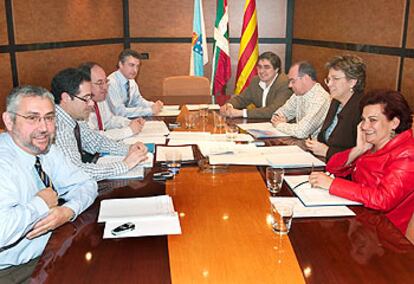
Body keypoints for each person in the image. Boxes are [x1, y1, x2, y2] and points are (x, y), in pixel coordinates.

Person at [0, 86, 97, 282]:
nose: (44, 128)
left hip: (52, 247)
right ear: (9, 121)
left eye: (49, 118)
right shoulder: (4, 164)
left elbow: (87, 183)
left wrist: (67, 211)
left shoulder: (46, 150)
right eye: (32, 118)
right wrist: (41, 204)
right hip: (13, 271)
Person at [309, 90, 414, 235]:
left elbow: (383, 199)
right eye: (363, 120)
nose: (364, 126)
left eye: (372, 120)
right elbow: (332, 166)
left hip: (384, 235)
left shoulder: (407, 154)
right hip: (362, 220)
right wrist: (359, 149)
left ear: (394, 123)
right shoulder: (375, 143)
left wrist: (332, 184)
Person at [51, 67, 148, 181]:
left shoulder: (75, 117)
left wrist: (129, 149)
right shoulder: (58, 127)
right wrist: (125, 165)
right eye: (86, 98)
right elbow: (76, 172)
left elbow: (95, 142)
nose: (91, 103)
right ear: (66, 98)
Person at [306, 55, 366, 160]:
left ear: (352, 82)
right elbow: (325, 138)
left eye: (335, 79)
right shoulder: (336, 102)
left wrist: (327, 151)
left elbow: (362, 152)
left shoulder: (362, 109)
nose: (329, 84)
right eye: (328, 79)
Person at [78, 62, 145, 141]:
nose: (105, 87)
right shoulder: (80, 106)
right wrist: (129, 131)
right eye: (100, 83)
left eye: (106, 81)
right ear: (85, 84)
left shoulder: (99, 98)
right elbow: (93, 139)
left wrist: (129, 123)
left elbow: (109, 121)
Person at [220, 52, 292, 119]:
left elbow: (274, 111)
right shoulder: (256, 80)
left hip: (283, 126)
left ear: (276, 69)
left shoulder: (285, 83)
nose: (261, 71)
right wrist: (229, 106)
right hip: (262, 124)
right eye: (259, 67)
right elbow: (241, 99)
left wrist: (242, 113)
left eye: (266, 67)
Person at [271, 61, 330, 138]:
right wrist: (278, 119)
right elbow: (279, 113)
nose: (290, 85)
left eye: (293, 81)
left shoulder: (320, 99)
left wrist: (280, 125)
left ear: (305, 78)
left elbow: (301, 132)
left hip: (314, 147)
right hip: (301, 143)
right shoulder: (298, 94)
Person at [107, 49, 163, 117]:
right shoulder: (111, 83)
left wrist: (152, 105)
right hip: (113, 124)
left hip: (126, 121)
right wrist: (149, 111)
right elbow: (119, 112)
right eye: (131, 65)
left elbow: (137, 101)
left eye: (137, 66)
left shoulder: (131, 80)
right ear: (120, 64)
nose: (135, 70)